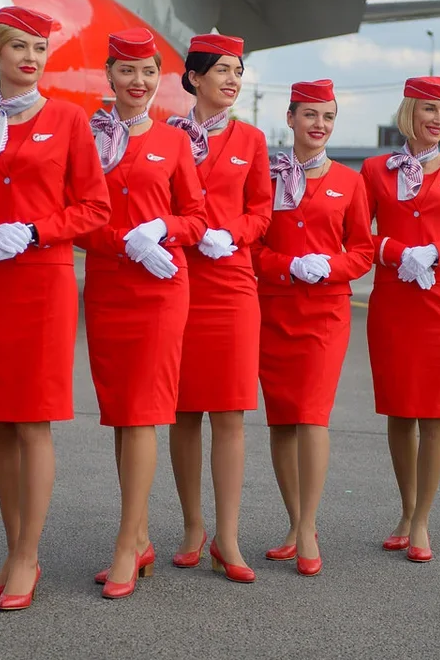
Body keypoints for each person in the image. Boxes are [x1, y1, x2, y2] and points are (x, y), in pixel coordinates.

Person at [0, 6, 111, 610]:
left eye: (40, 48)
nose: (30, 58)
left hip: (43, 280)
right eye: (19, 46)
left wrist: (37, 230)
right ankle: (11, 546)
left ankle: (27, 555)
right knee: (0, 419)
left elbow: (94, 208)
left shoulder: (68, 119)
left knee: (33, 420)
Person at [78, 27, 208, 599]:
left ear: (160, 79)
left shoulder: (175, 142)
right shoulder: (87, 139)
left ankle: (127, 546)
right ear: (109, 75)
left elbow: (197, 219)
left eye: (149, 72)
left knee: (143, 413)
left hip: (159, 288)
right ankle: (142, 535)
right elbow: (76, 217)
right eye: (127, 71)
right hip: (109, 286)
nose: (138, 82)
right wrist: (120, 241)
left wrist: (162, 228)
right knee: (120, 414)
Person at [359, 76, 440, 563]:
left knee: (436, 413)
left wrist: (439, 251)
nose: (438, 119)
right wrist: (396, 251)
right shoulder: (374, 170)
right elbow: (357, 236)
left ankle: (421, 522)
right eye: (430, 108)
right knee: (399, 410)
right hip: (394, 302)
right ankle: (406, 510)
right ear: (409, 112)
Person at [252, 80, 373, 576]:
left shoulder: (350, 181)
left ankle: (307, 528)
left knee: (312, 415)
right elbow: (252, 246)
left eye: (328, 117)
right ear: (290, 118)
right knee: (282, 420)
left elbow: (362, 251)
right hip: (274, 308)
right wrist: (287, 266)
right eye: (310, 115)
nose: (319, 125)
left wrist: (329, 266)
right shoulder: (266, 177)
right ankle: (293, 523)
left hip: (325, 313)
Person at [167, 33, 272, 583]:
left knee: (230, 413)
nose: (233, 80)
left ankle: (227, 537)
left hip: (231, 284)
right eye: (223, 70)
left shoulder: (252, 139)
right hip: (177, 280)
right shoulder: (164, 135)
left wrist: (231, 235)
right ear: (195, 77)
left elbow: (262, 213)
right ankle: (192, 527)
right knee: (183, 412)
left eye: (238, 71)